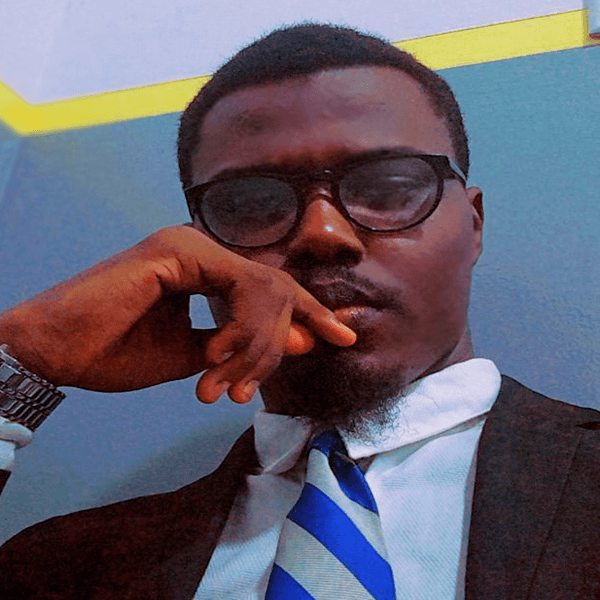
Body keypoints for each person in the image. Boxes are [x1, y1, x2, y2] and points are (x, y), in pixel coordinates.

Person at [0, 23, 598, 600]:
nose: (322, 233)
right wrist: (20, 364)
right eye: (251, 203)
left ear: (473, 225)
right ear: (198, 254)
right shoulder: (61, 565)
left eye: (388, 188)